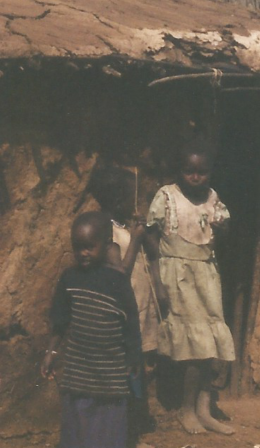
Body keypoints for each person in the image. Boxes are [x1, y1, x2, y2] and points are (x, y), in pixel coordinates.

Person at [145, 144, 236, 435]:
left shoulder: (213, 199)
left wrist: (221, 230)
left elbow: (220, 232)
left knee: (209, 342)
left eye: (202, 172)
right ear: (179, 172)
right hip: (177, 275)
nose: (196, 177)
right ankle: (186, 409)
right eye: (189, 171)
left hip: (205, 274)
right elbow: (150, 235)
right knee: (191, 346)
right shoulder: (167, 196)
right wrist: (160, 274)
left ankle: (204, 408)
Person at [41, 211, 143, 448]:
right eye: (77, 247)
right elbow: (60, 321)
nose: (83, 253)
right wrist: (51, 353)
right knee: (77, 421)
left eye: (89, 247)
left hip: (111, 369)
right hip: (79, 368)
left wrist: (134, 354)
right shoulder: (70, 278)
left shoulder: (117, 281)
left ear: (107, 246)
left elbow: (131, 321)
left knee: (109, 423)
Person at [86, 164, 161, 442]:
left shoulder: (123, 226)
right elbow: (121, 274)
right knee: (125, 376)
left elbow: (152, 253)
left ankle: (132, 431)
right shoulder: (106, 233)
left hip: (138, 310)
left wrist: (144, 235)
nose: (134, 203)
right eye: (131, 197)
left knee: (137, 371)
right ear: (117, 200)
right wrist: (136, 238)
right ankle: (124, 434)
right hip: (121, 315)